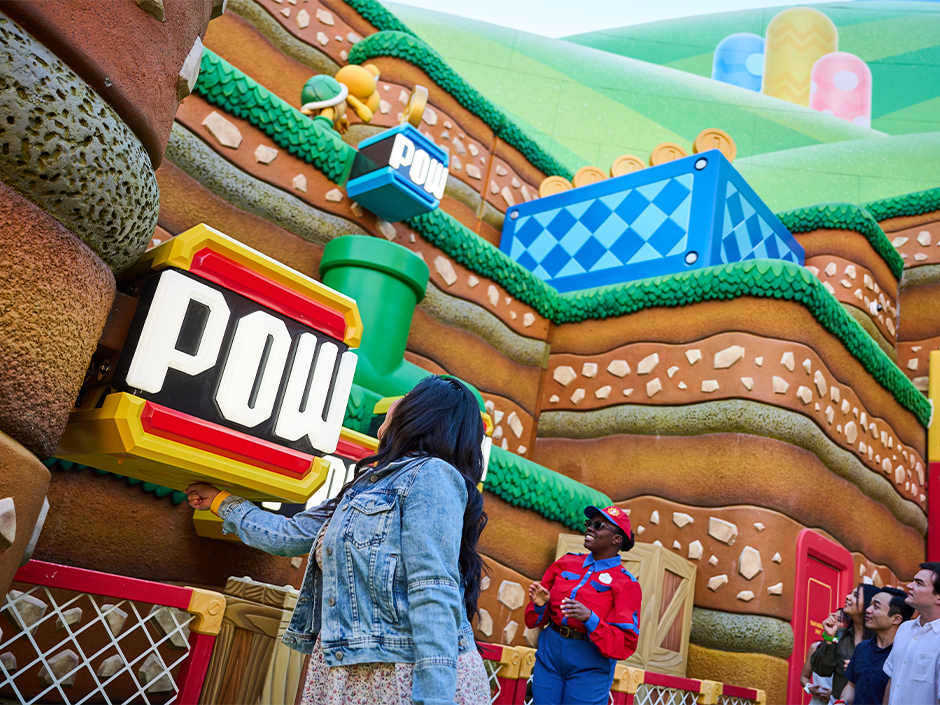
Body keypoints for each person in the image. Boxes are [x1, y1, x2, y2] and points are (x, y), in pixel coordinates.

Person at [185, 375, 492, 705]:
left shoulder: (431, 475)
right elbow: (287, 535)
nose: (396, 403)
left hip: (405, 672)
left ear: (423, 412)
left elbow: (432, 587)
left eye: (406, 396)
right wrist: (220, 502)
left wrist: (434, 698)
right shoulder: (366, 487)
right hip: (349, 668)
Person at [524, 504, 642, 705]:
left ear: (617, 539)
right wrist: (541, 605)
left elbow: (625, 642)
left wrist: (590, 618)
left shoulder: (626, 584)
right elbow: (532, 619)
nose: (590, 528)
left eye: (598, 525)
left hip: (590, 663)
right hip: (550, 655)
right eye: (589, 523)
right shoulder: (566, 562)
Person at [838, 587, 913, 705]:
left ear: (896, 619)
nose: (868, 610)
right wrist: (842, 702)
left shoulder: (906, 655)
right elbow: (851, 685)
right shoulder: (861, 648)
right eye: (870, 605)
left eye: (876, 607)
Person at [883, 562, 940, 705]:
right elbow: (891, 679)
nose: (909, 586)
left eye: (919, 583)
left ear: (938, 598)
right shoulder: (904, 628)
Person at [812, 583, 880, 700]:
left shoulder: (880, 640)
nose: (847, 597)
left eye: (856, 595)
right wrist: (829, 637)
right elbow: (822, 670)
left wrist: (861, 668)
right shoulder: (839, 635)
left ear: (869, 604)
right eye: (850, 594)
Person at [801, 640, 833, 704]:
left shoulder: (850, 651)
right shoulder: (816, 648)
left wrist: (835, 695)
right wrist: (810, 687)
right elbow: (804, 677)